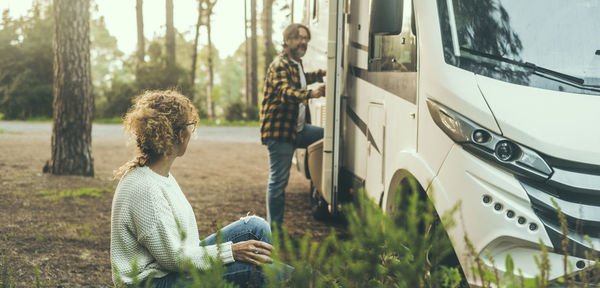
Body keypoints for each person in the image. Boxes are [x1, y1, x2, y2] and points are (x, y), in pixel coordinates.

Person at [110, 90, 274, 287]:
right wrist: (231, 252)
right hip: (151, 281)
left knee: (255, 227)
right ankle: (308, 279)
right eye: (191, 125)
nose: (192, 131)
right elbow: (175, 258)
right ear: (180, 135)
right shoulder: (145, 189)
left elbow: (180, 252)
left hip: (171, 267)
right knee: (256, 269)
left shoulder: (158, 176)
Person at [260, 23, 326, 230]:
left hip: (298, 130)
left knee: (329, 137)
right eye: (298, 37)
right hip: (280, 133)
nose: (303, 42)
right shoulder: (280, 65)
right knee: (278, 183)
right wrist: (311, 94)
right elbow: (285, 92)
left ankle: (320, 186)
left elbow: (303, 79)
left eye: (306, 38)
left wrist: (322, 73)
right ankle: (274, 232)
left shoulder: (296, 64)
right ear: (287, 40)